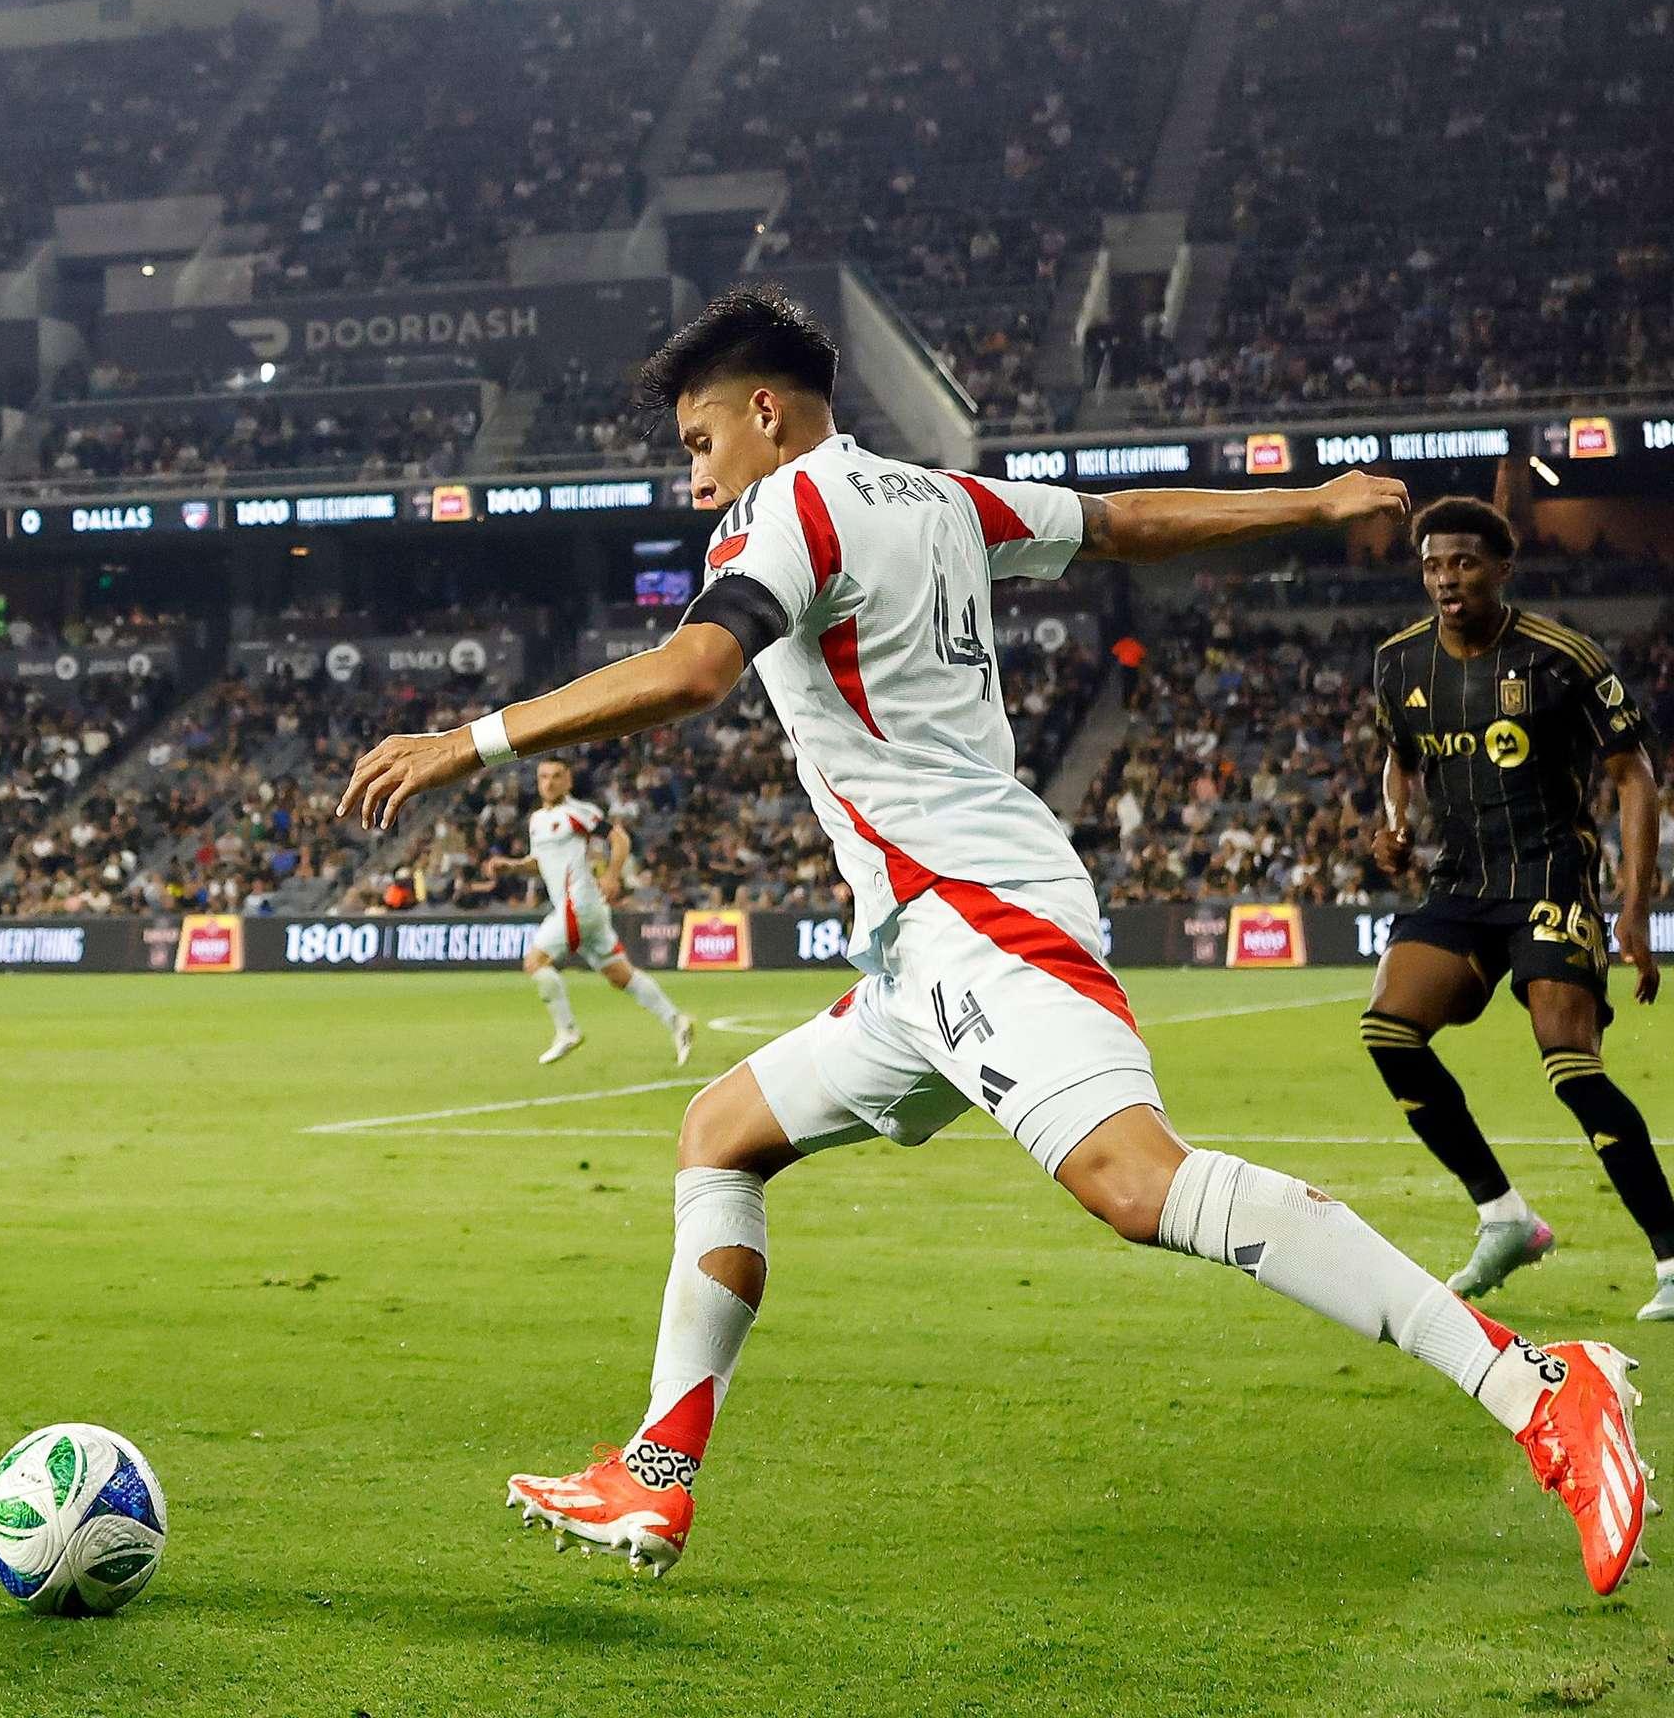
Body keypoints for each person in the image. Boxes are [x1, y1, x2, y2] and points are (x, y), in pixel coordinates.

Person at [340, 286, 1648, 1592]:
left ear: (763, 411)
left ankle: (1537, 1383)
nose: (694, 480)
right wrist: (1308, 504)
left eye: (696, 443)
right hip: (917, 954)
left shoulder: (790, 509)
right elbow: (1127, 524)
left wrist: (470, 741)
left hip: (977, 916)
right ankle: (658, 1471)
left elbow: (693, 673)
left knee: (1139, 1187)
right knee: (719, 1133)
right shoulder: (944, 497)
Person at [1357, 496, 1669, 1312]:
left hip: (1549, 874)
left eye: (1462, 563)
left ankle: (1673, 1256)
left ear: (1502, 569)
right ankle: (1504, 1218)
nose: (1445, 579)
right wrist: (1391, 825)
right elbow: (1399, 756)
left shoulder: (1561, 656)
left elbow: (1634, 774)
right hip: (1462, 880)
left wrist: (1633, 907)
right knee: (1388, 1028)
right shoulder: (1398, 662)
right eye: (1432, 564)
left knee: (1568, 1060)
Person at [515, 758, 694, 1067]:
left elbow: (619, 837)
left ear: (568, 781)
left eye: (557, 776)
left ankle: (567, 1031)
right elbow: (540, 860)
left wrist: (613, 874)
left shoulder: (577, 812)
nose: (549, 782)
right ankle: (677, 1021)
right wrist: (511, 866)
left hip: (579, 903)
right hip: (586, 910)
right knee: (618, 974)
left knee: (535, 961)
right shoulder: (536, 821)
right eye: (544, 776)